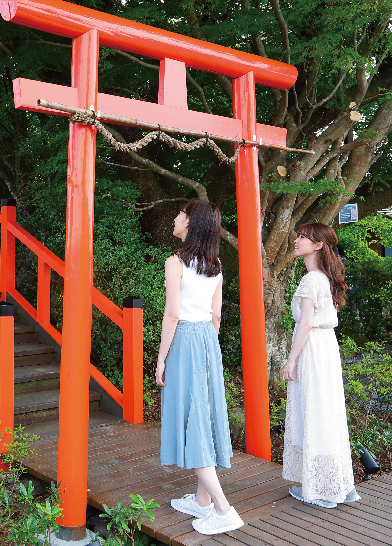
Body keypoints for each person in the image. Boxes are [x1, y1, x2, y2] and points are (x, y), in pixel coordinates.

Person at [157, 200, 243, 535]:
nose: (175, 219)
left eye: (179, 215)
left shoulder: (175, 262)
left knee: (192, 420)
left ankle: (223, 508)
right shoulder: (215, 264)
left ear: (190, 222)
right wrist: (208, 347)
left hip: (186, 340)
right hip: (208, 340)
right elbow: (216, 314)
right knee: (204, 415)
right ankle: (202, 500)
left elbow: (173, 314)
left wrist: (162, 358)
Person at [282, 222, 359, 508]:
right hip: (326, 347)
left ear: (317, 246)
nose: (296, 240)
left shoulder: (311, 279)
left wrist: (291, 358)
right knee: (327, 412)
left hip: (313, 347)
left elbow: (305, 323)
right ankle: (335, 482)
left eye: (303, 237)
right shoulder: (324, 278)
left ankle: (319, 487)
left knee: (312, 410)